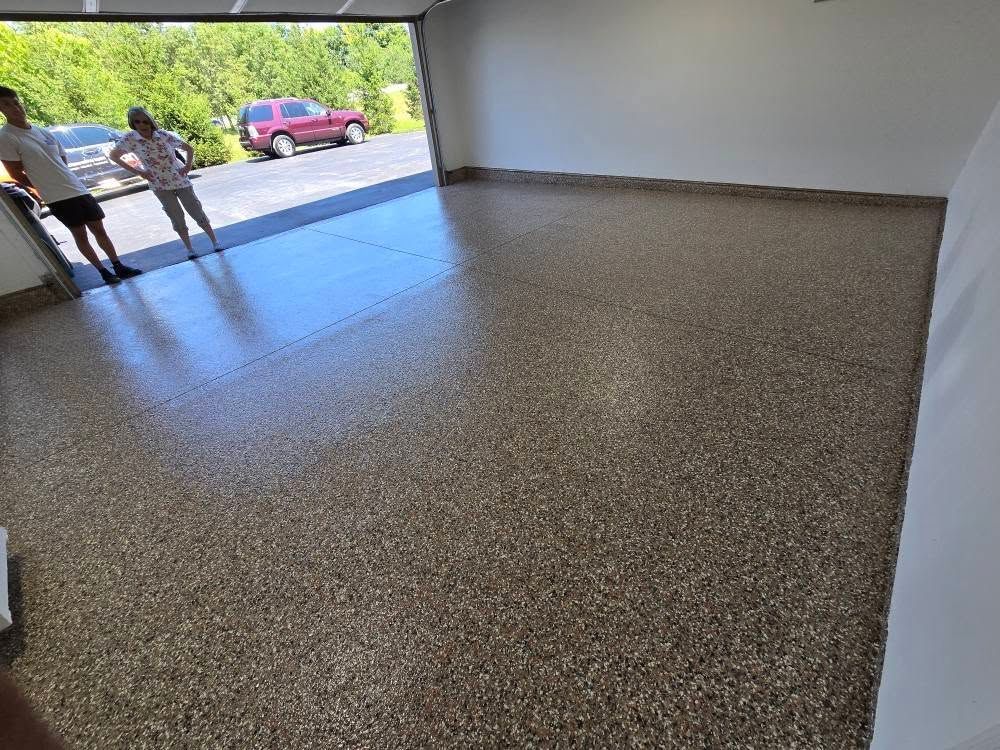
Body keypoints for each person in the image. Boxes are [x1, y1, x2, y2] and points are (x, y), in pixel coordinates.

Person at [0, 86, 142, 286]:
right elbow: (15, 172)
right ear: (1, 109)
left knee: (99, 228)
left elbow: (62, 156)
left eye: (16, 102)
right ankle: (103, 272)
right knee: (80, 234)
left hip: (76, 188)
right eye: (7, 104)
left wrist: (62, 175)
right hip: (56, 196)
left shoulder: (41, 131)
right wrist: (41, 187)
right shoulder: (7, 136)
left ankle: (118, 265)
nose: (15, 108)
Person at [109, 107, 223, 260]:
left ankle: (215, 242)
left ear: (150, 121)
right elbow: (114, 155)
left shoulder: (162, 135)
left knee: (195, 209)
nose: (142, 125)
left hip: (179, 179)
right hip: (159, 184)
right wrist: (139, 172)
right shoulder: (130, 139)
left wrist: (187, 166)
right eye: (137, 122)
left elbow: (188, 148)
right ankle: (190, 249)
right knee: (175, 216)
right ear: (132, 123)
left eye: (145, 121)